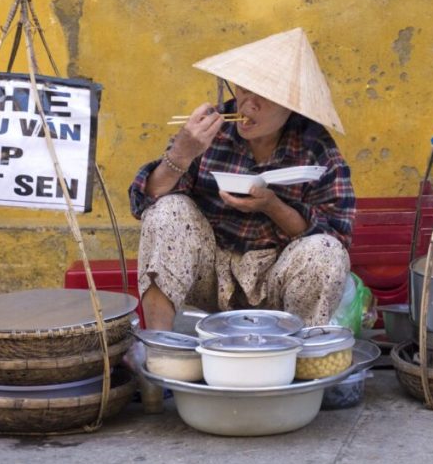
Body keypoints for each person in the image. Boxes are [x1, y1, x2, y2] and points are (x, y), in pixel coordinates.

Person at [128, 28, 356, 331]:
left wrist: (272, 206)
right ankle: (161, 346)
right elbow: (145, 200)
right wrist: (182, 153)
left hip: (276, 278)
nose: (247, 105)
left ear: (292, 105)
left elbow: (336, 237)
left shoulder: (317, 149)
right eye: (244, 90)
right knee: (167, 210)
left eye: (264, 96)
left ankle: (300, 356)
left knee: (325, 252)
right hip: (209, 271)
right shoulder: (211, 129)